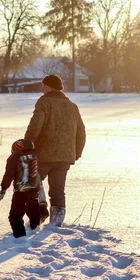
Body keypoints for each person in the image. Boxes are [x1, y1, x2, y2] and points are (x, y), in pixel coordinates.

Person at [24, 74, 86, 227]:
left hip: (44, 154)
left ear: (50, 87)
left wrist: (27, 146)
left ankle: (40, 209)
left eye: (44, 85)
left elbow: (35, 127)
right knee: (58, 191)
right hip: (65, 157)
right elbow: (81, 132)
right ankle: (55, 225)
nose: (42, 88)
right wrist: (76, 152)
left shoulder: (44, 102)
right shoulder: (72, 106)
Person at [0, 139, 41, 238]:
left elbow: (9, 175)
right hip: (34, 188)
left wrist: (3, 189)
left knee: (14, 216)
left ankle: (20, 237)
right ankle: (36, 228)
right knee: (32, 208)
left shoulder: (13, 158)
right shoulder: (36, 155)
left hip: (21, 190)